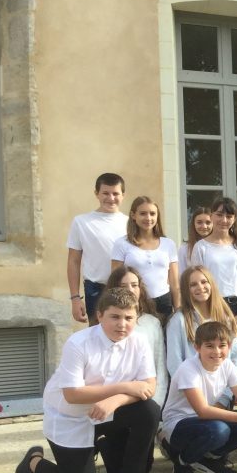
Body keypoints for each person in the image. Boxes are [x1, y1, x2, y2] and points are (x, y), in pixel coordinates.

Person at [14, 287, 161, 473]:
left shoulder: (139, 342)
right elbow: (72, 395)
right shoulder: (78, 343)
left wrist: (116, 399)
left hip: (107, 413)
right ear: (99, 315)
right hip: (70, 417)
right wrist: (126, 387)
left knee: (149, 410)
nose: (122, 324)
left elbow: (148, 386)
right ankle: (35, 462)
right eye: (115, 317)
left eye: (129, 317)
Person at [163, 322, 237, 473]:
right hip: (179, 425)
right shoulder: (188, 369)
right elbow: (203, 410)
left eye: (222, 346)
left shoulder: (227, 365)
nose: (216, 351)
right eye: (209, 346)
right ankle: (182, 461)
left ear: (229, 346)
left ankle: (208, 458)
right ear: (197, 347)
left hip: (207, 423)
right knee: (219, 430)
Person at [67, 172, 128, 324]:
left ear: (123, 195)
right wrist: (75, 298)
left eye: (115, 193)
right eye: (105, 193)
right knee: (97, 337)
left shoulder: (130, 223)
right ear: (96, 194)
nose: (111, 198)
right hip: (96, 289)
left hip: (126, 287)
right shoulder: (81, 222)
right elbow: (73, 261)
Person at [166, 266, 237, 382]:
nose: (200, 287)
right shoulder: (178, 321)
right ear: (186, 290)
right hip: (193, 390)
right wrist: (192, 391)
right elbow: (174, 364)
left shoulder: (226, 318)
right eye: (193, 285)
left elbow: (234, 359)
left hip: (224, 391)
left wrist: (229, 393)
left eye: (204, 282)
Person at [107, 266, 167, 406]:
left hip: (144, 399)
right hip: (112, 398)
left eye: (134, 285)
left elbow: (159, 366)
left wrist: (156, 404)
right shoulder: (107, 322)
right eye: (123, 286)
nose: (130, 290)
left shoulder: (152, 323)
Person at [190, 196, 237, 328]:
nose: (224, 220)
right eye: (219, 215)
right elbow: (196, 281)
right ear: (211, 216)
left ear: (234, 219)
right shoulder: (201, 247)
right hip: (211, 305)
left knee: (235, 348)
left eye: (229, 216)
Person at [110, 196, 179, 317]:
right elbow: (116, 281)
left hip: (164, 302)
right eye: (143, 213)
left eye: (152, 214)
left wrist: (178, 309)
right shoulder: (121, 244)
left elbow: (174, 283)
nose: (148, 218)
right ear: (133, 215)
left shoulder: (168, 244)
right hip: (134, 302)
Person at [178, 207, 212, 273]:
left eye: (208, 222)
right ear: (194, 224)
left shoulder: (218, 246)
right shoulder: (184, 249)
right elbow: (181, 275)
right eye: (199, 222)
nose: (204, 226)